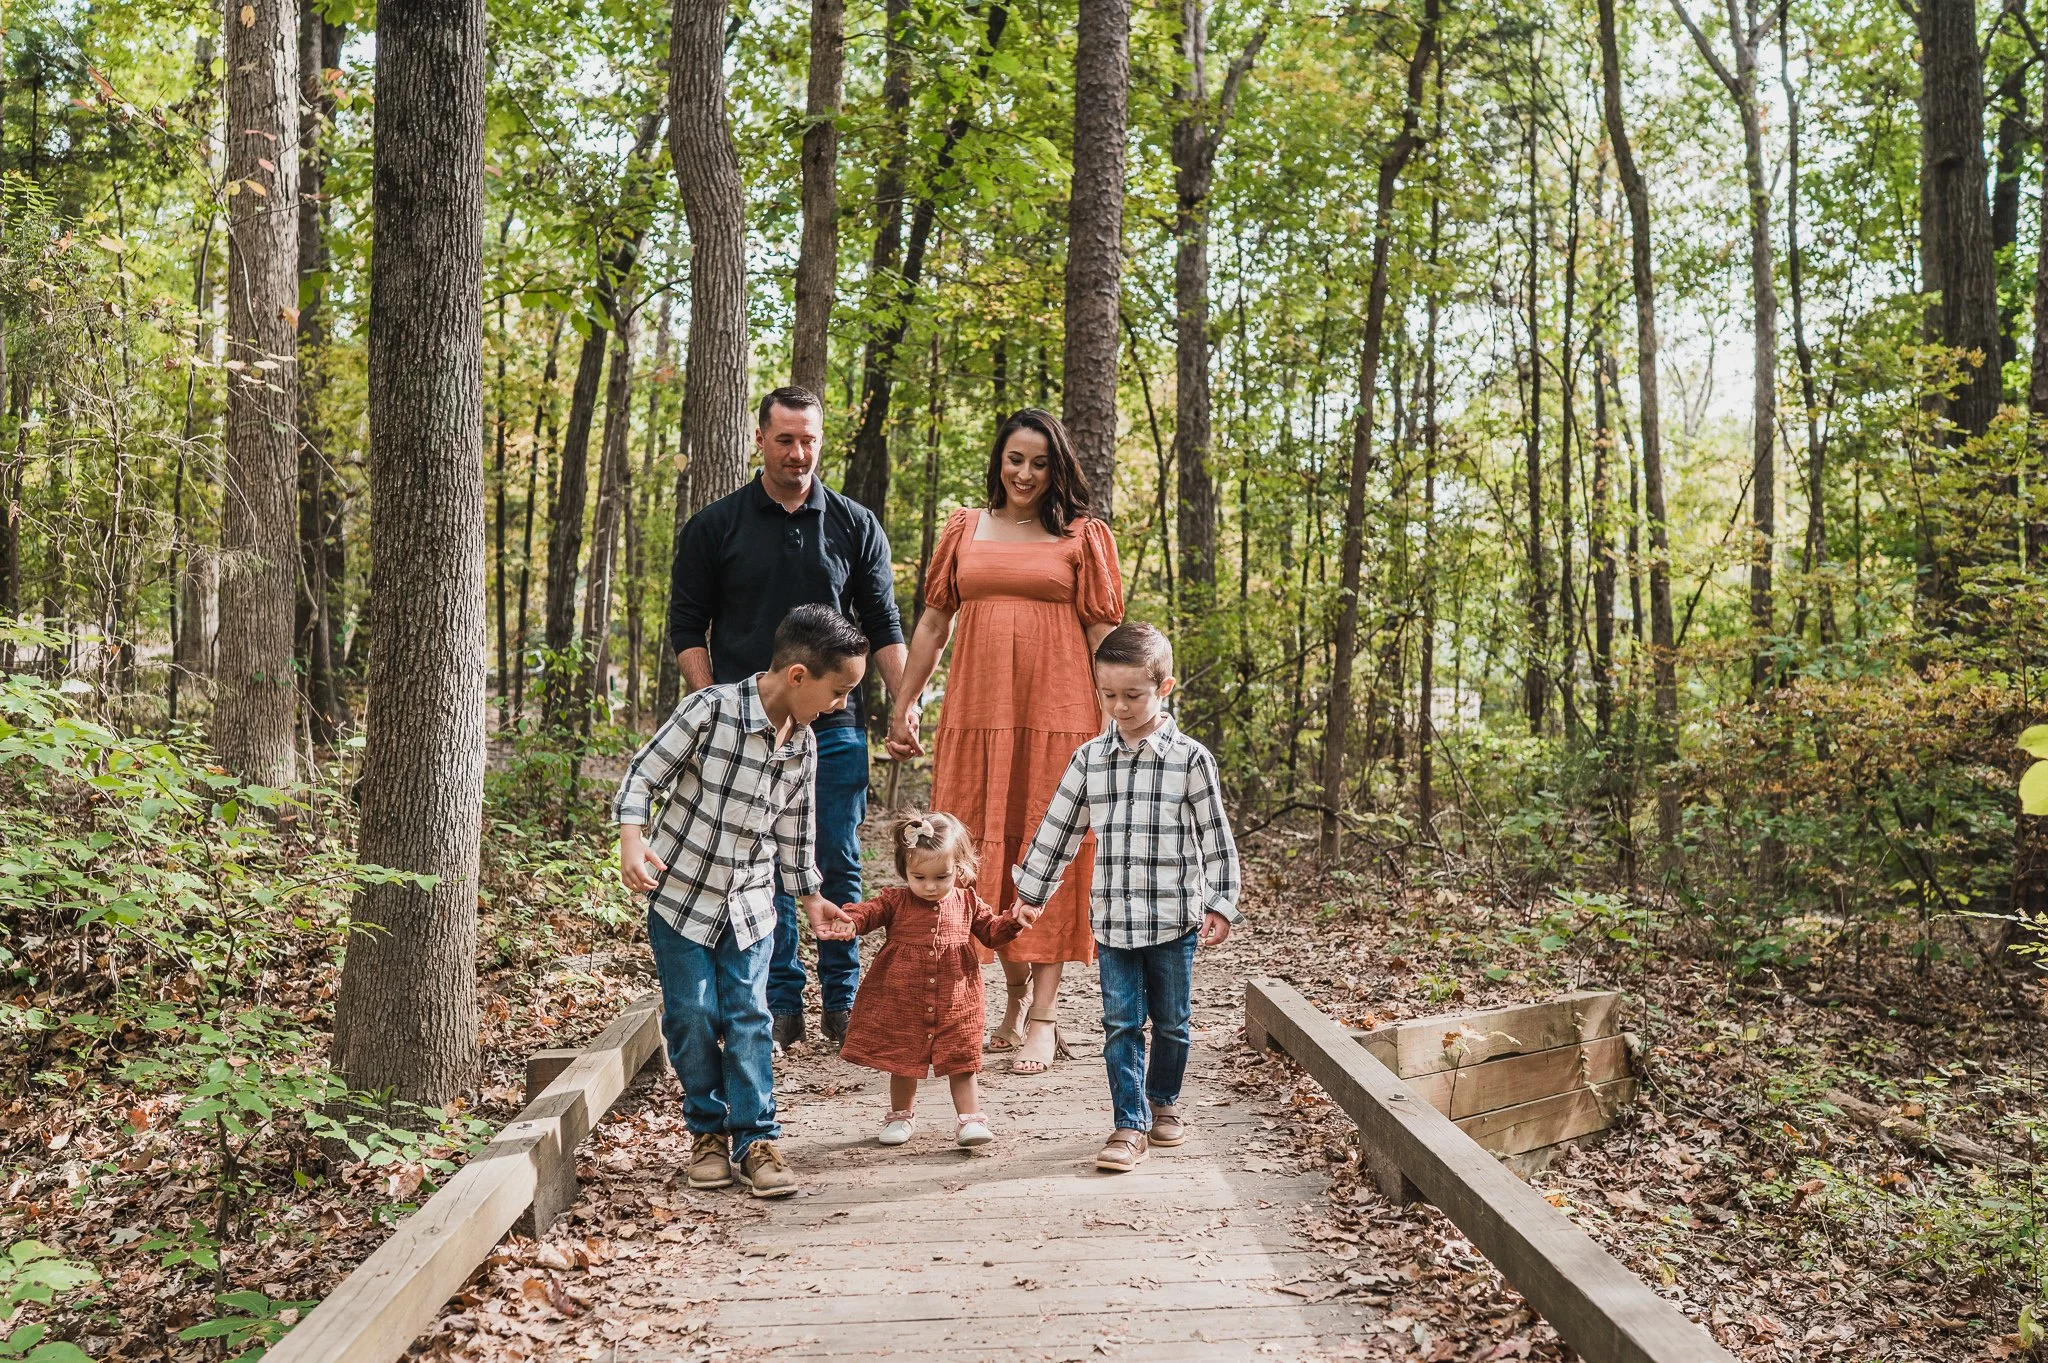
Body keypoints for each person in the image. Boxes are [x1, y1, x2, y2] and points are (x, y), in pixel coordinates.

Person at [669, 387, 908, 1051]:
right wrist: (711, 703)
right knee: (761, 865)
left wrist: (904, 702)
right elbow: (688, 626)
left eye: (809, 440)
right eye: (785, 440)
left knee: (834, 854)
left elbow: (884, 621)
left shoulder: (854, 524)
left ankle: (845, 999)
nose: (798, 453)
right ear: (759, 439)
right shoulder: (716, 527)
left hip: (833, 723)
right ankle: (780, 1005)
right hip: (749, 725)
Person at [886, 409, 1123, 1076]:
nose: (1025, 473)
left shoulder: (1083, 536)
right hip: (976, 714)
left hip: (1060, 714)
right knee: (978, 853)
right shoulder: (964, 527)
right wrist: (903, 706)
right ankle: (1009, 1000)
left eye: (1040, 463)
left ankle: (1044, 1014)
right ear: (998, 460)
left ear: (1058, 471)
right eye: (1015, 458)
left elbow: (1104, 638)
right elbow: (932, 626)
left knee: (1053, 855)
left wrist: (1120, 721)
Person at [612, 605, 866, 1198]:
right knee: (692, 1015)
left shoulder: (804, 745)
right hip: (681, 898)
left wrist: (810, 899)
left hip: (751, 905)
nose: (840, 707)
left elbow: (795, 832)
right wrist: (632, 838)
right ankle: (707, 1132)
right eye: (839, 691)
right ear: (799, 675)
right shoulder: (711, 710)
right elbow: (641, 775)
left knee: (752, 1017)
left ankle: (756, 1139)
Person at [1011, 622, 1242, 1172]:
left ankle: (1164, 1101)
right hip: (1113, 920)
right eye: (1108, 695)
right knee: (1119, 1023)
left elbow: (1217, 838)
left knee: (1172, 1023)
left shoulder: (1190, 760)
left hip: (1173, 919)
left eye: (1132, 695)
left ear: (1164, 688)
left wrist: (1220, 903)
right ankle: (1128, 1124)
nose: (1119, 706)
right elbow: (1058, 829)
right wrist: (1032, 893)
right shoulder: (1091, 759)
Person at [818, 812, 1028, 1148]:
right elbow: (866, 912)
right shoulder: (895, 900)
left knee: (962, 1060)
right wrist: (850, 923)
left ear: (959, 869)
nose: (929, 886)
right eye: (919, 877)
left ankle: (970, 1120)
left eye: (941, 877)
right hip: (902, 996)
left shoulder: (968, 902)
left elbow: (992, 933)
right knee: (903, 1059)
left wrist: (1014, 919)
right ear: (905, 871)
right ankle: (901, 1116)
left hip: (958, 999)